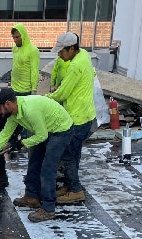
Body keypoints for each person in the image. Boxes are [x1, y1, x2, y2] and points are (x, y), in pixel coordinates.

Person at [0, 88, 74, 223]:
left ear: (8, 104)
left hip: (60, 129)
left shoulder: (30, 110)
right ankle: (32, 197)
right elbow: (5, 133)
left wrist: (23, 143)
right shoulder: (14, 114)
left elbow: (42, 135)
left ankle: (48, 208)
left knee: (47, 168)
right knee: (34, 161)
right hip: (45, 129)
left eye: (0, 108)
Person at [46, 32, 96, 204]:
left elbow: (63, 92)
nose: (59, 55)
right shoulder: (84, 55)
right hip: (86, 114)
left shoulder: (75, 66)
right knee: (74, 154)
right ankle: (69, 185)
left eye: (62, 52)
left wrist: (45, 99)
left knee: (67, 155)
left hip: (77, 117)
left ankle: (75, 190)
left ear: (72, 48)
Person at [10, 23, 41, 97]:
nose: (15, 40)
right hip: (14, 88)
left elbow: (34, 71)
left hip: (25, 91)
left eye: (17, 37)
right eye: (13, 37)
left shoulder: (33, 50)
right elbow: (15, 66)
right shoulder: (15, 48)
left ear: (23, 36)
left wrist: (34, 90)